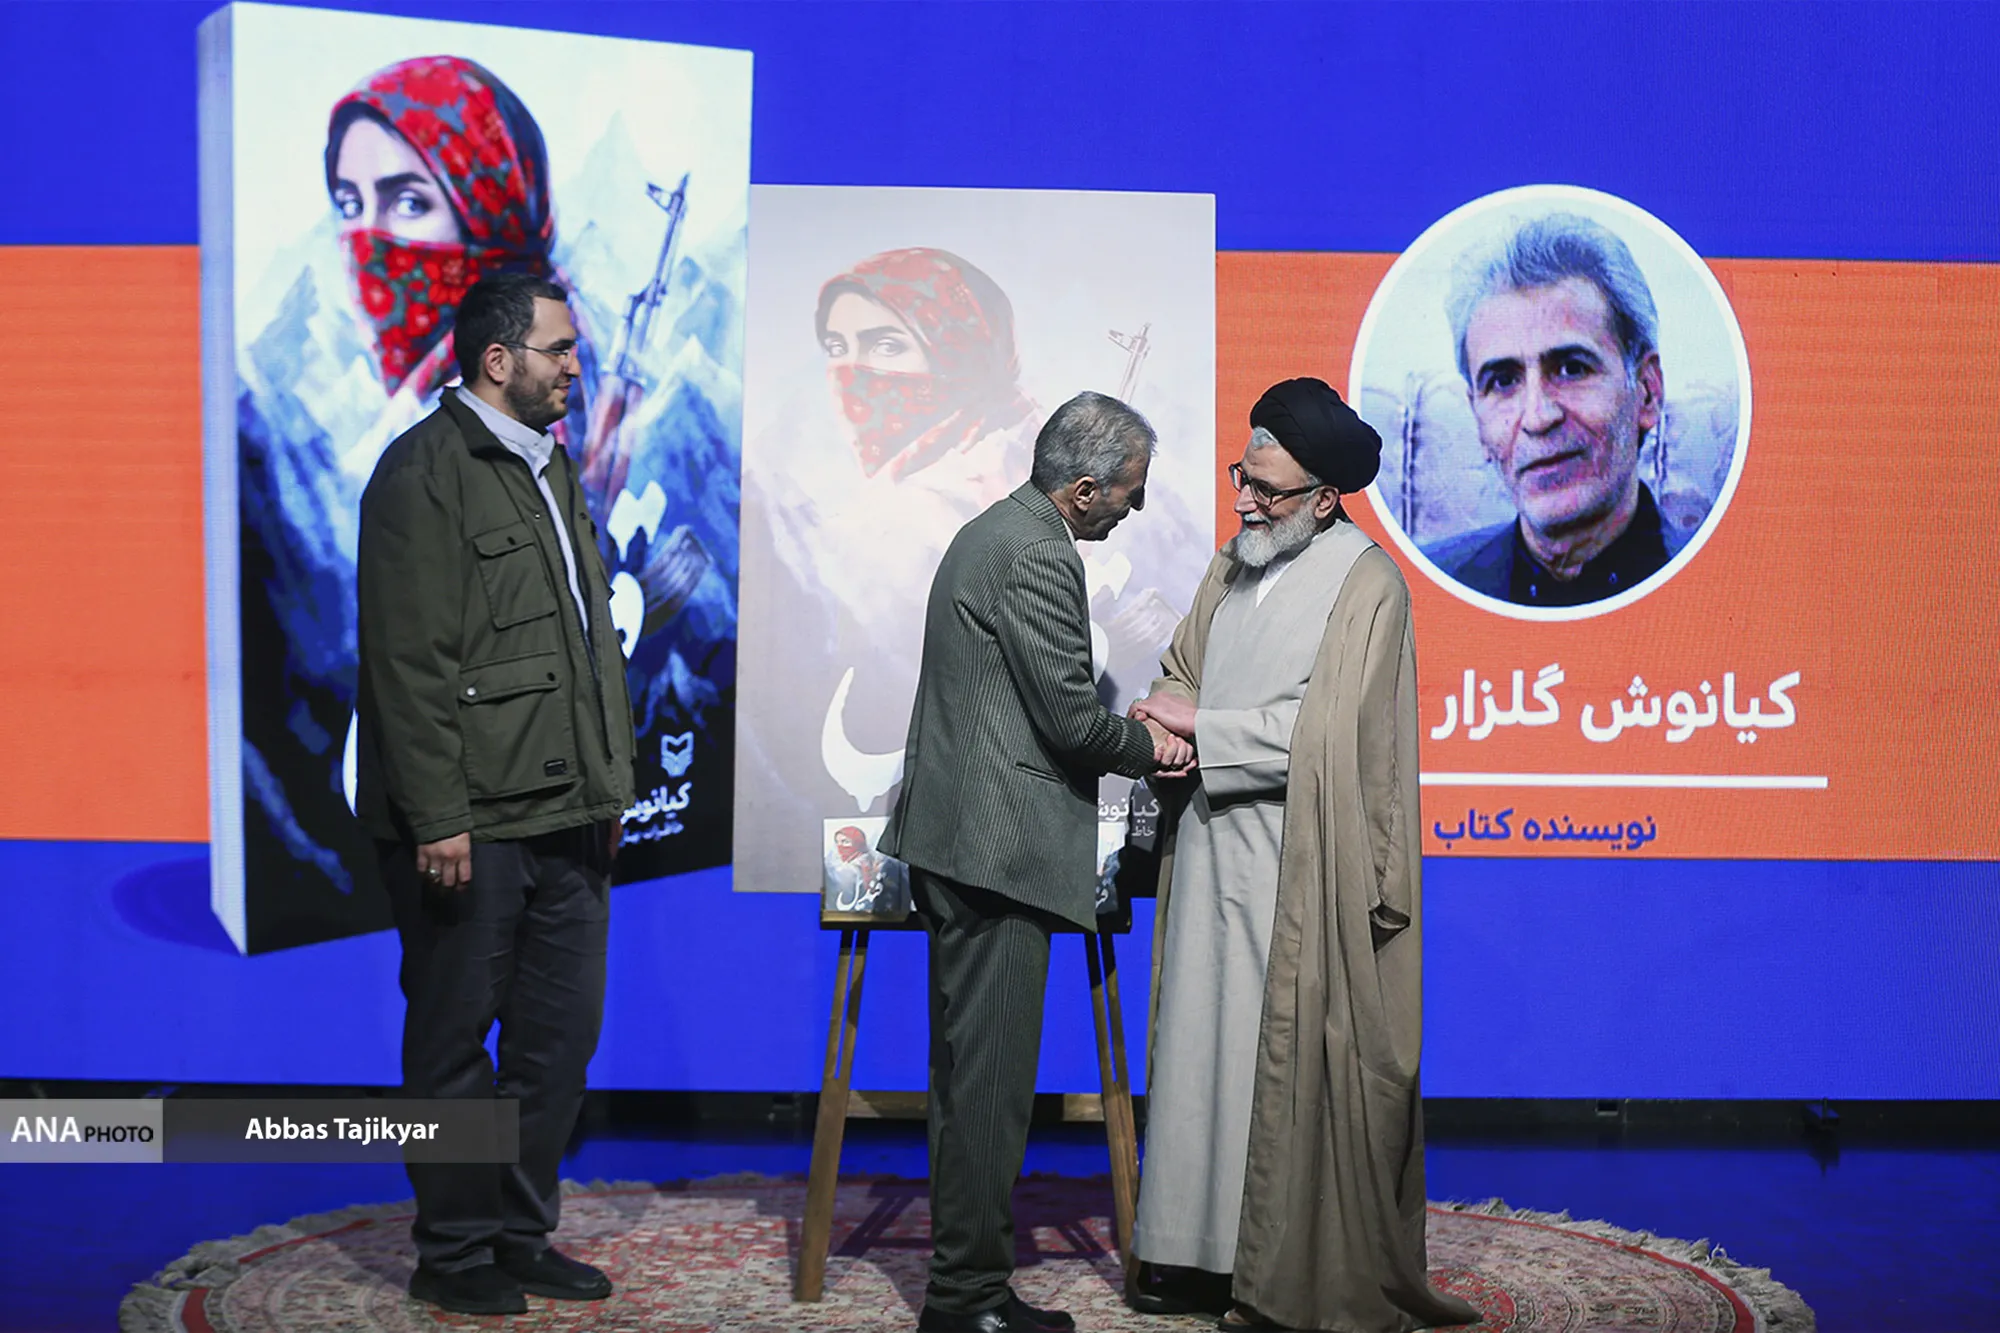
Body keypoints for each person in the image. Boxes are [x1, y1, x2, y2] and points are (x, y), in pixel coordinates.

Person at [1128, 379, 1476, 1333]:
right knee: (1194, 1050)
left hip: (1298, 863)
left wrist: (1204, 727)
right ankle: (1186, 1251)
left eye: (1268, 490)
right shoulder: (1230, 563)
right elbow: (1181, 668)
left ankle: (1267, 1266)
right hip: (1207, 845)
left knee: (1268, 1061)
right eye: (1241, 478)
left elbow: (1336, 734)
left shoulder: (1368, 584)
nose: (1245, 502)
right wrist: (1165, 722)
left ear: (1324, 498)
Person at [881, 391, 1192, 1333]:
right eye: (1131, 490)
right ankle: (967, 1300)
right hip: (996, 855)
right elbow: (1069, 720)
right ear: (1085, 489)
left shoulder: (998, 532)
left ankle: (965, 1287)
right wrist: (1153, 744)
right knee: (988, 1090)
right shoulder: (1036, 552)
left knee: (969, 1079)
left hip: (970, 847)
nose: (1137, 507)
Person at [355, 272, 635, 1317]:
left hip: (568, 815)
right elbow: (408, 664)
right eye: (559, 349)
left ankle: (519, 1235)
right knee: (452, 1046)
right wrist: (439, 817)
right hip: (470, 823)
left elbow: (587, 645)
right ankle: (456, 1250)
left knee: (557, 1044)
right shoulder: (422, 472)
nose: (574, 368)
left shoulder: (551, 466)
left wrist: (609, 787)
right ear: (497, 359)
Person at [1423, 212, 1689, 606]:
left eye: (1571, 369)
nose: (1537, 418)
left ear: (1647, 392)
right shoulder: (1422, 587)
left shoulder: (1724, 581)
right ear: (1477, 419)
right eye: (1503, 381)